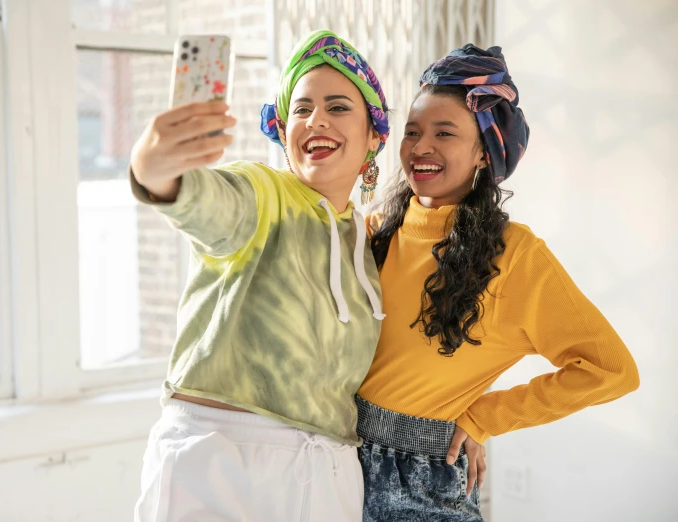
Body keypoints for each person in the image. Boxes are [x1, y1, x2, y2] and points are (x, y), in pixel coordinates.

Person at [355, 44, 640, 522]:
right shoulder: (376, 228)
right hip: (338, 455)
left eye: (444, 133)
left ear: (484, 154)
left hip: (422, 481)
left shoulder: (516, 256)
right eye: (412, 132)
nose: (421, 147)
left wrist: (484, 417)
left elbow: (611, 370)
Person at [130, 30, 390, 521]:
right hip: (219, 461)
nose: (316, 119)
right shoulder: (261, 195)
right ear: (282, 127)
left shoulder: (369, 240)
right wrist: (155, 168)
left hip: (328, 474)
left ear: (375, 135)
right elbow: (205, 201)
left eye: (337, 107)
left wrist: (461, 416)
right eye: (301, 108)